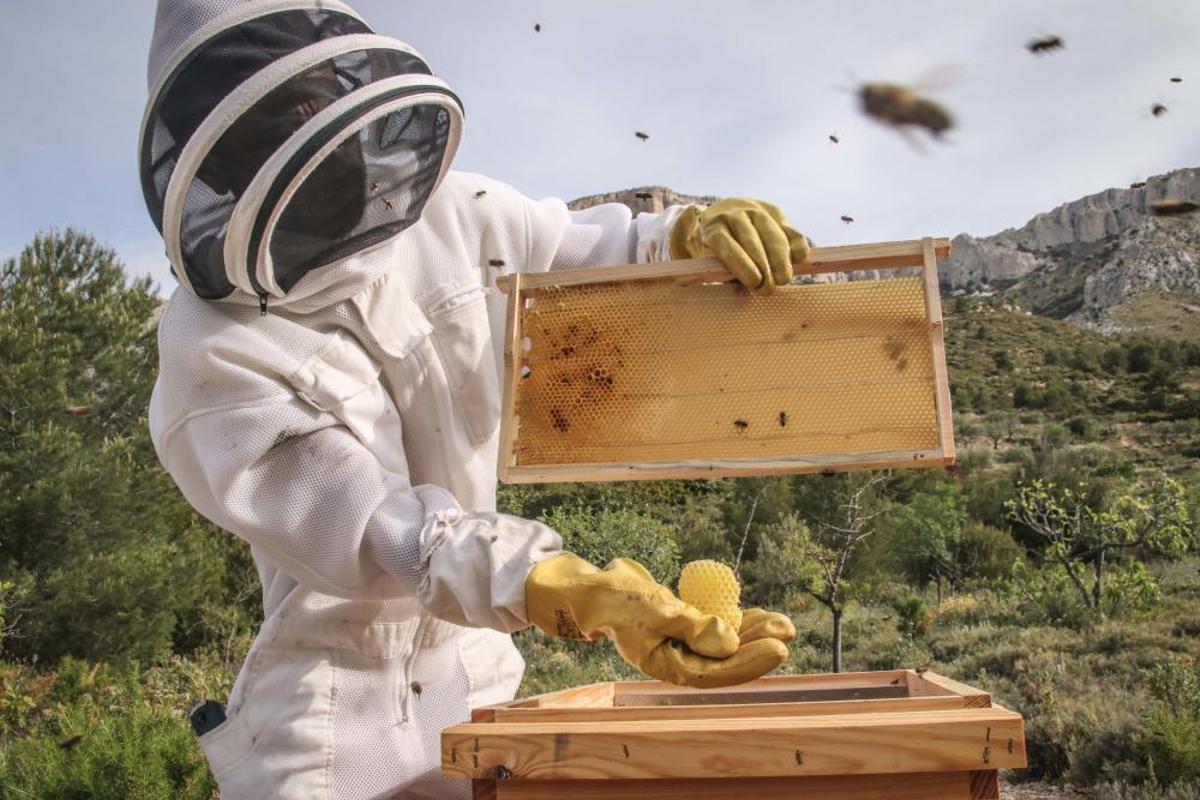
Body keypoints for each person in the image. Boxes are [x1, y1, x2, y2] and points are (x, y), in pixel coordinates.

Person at [139, 1, 808, 797]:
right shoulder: (211, 356)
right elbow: (383, 531)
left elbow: (582, 254)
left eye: (312, 99)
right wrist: (572, 586)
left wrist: (685, 235)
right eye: (275, 123)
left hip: (476, 673)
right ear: (218, 162)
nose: (306, 125)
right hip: (326, 726)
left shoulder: (458, 214)